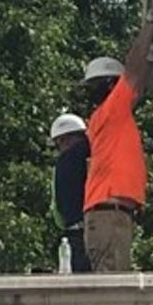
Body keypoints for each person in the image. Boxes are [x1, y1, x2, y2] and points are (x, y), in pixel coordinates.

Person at [80, 19, 153, 273]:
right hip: (108, 215)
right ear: (112, 84)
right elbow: (134, 69)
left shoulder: (107, 116)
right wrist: (150, 25)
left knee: (114, 282)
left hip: (108, 215)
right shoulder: (113, 109)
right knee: (113, 286)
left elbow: (138, 82)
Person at [49, 112, 90, 273]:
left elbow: (58, 211)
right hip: (99, 226)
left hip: (76, 233)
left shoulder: (63, 164)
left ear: (63, 139)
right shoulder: (97, 155)